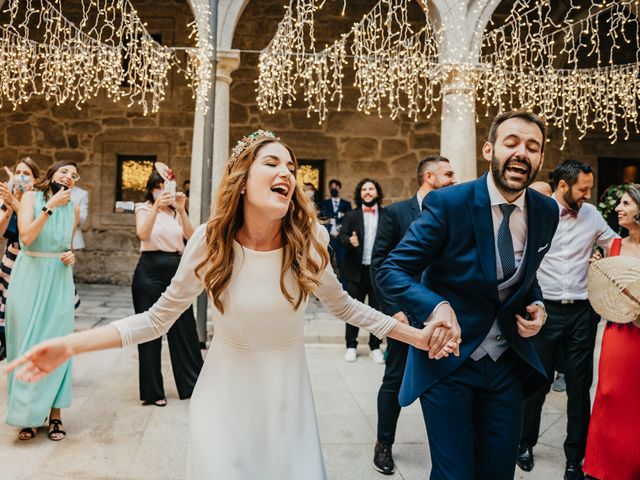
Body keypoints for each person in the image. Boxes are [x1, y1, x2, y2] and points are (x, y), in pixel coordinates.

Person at [5, 131, 456, 479]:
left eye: (292, 167)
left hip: (288, 410)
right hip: (222, 406)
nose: (287, 172)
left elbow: (350, 310)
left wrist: (417, 336)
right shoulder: (209, 241)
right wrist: (69, 345)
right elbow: (156, 319)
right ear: (242, 179)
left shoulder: (310, 241)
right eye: (272, 162)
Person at [378, 111, 560, 480]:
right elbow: (391, 270)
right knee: (454, 474)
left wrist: (537, 305)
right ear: (489, 149)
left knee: (497, 473)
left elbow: (526, 275)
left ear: (541, 158)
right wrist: (436, 305)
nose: (522, 152)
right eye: (512, 143)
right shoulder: (449, 203)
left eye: (532, 147)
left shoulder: (546, 211)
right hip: (448, 361)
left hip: (507, 362)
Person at [517, 160, 617, 480]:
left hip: (582, 313)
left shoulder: (592, 215)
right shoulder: (536, 211)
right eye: (583, 189)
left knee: (578, 386)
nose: (588, 194)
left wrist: (605, 258)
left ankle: (575, 457)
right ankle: (524, 443)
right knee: (537, 382)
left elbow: (615, 243)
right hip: (544, 309)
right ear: (563, 186)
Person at [370, 155, 456, 474]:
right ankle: (383, 443)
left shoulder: (455, 211)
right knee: (393, 380)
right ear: (429, 177)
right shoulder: (394, 213)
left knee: (446, 385)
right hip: (404, 317)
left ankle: (448, 452)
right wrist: (393, 310)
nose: (454, 179)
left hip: (443, 317)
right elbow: (380, 264)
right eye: (448, 174)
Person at [5, 161, 79, 441]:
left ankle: (56, 415)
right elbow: (26, 237)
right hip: (30, 275)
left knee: (58, 347)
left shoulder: (73, 207)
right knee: (27, 346)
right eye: (64, 171)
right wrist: (50, 207)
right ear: (51, 174)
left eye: (73, 175)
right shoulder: (31, 198)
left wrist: (71, 257)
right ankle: (27, 416)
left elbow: (67, 247)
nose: (69, 177)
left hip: (58, 279)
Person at [583, 185, 640, 480]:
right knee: (608, 393)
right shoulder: (614, 246)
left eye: (626, 203)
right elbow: (609, 291)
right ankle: (603, 464)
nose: (618, 208)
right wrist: (600, 270)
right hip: (618, 332)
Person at [132, 170, 203, 406]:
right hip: (149, 270)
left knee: (184, 327)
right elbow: (142, 234)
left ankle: (193, 386)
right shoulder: (143, 208)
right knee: (149, 330)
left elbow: (192, 239)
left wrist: (181, 209)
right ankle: (153, 392)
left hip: (175, 269)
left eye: (167, 187)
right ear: (151, 189)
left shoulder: (176, 213)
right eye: (158, 187)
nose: (163, 191)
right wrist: (155, 207)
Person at [340, 178, 386, 363]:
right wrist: (348, 241)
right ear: (360, 194)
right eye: (364, 189)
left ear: (377, 193)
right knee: (353, 311)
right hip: (355, 272)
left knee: (377, 311)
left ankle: (375, 347)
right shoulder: (351, 216)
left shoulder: (386, 215)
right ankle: (351, 345)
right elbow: (342, 235)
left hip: (377, 272)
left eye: (371, 189)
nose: (367, 192)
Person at [0, 158, 40, 362]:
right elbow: (1, 231)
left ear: (35, 179)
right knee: (8, 305)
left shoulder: (38, 200)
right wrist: (7, 205)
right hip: (11, 255)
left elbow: (31, 229)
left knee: (28, 307)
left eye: (26, 173)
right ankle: (9, 345)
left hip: (33, 257)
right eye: (18, 172)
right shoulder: (7, 198)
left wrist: (16, 202)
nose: (21, 176)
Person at [319, 178, 351, 276]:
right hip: (328, 237)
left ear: (339, 188)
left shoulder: (346, 204)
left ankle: (344, 286)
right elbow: (321, 217)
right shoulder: (324, 203)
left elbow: (349, 220)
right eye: (331, 187)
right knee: (325, 263)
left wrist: (341, 231)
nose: (334, 188)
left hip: (340, 238)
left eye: (336, 187)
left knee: (342, 263)